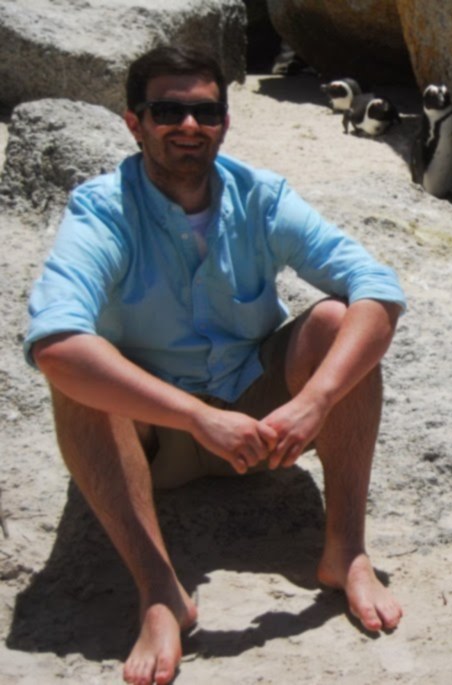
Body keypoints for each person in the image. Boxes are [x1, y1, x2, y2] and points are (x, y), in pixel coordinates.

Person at [23, 45, 406, 685]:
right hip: (155, 435)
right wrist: (197, 417)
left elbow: (377, 287)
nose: (189, 126)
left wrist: (313, 402)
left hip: (261, 422)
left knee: (340, 321)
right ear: (135, 122)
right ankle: (159, 593)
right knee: (80, 379)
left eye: (205, 111)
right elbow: (56, 341)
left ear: (225, 120)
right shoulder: (103, 210)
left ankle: (346, 553)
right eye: (168, 111)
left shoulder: (258, 196)